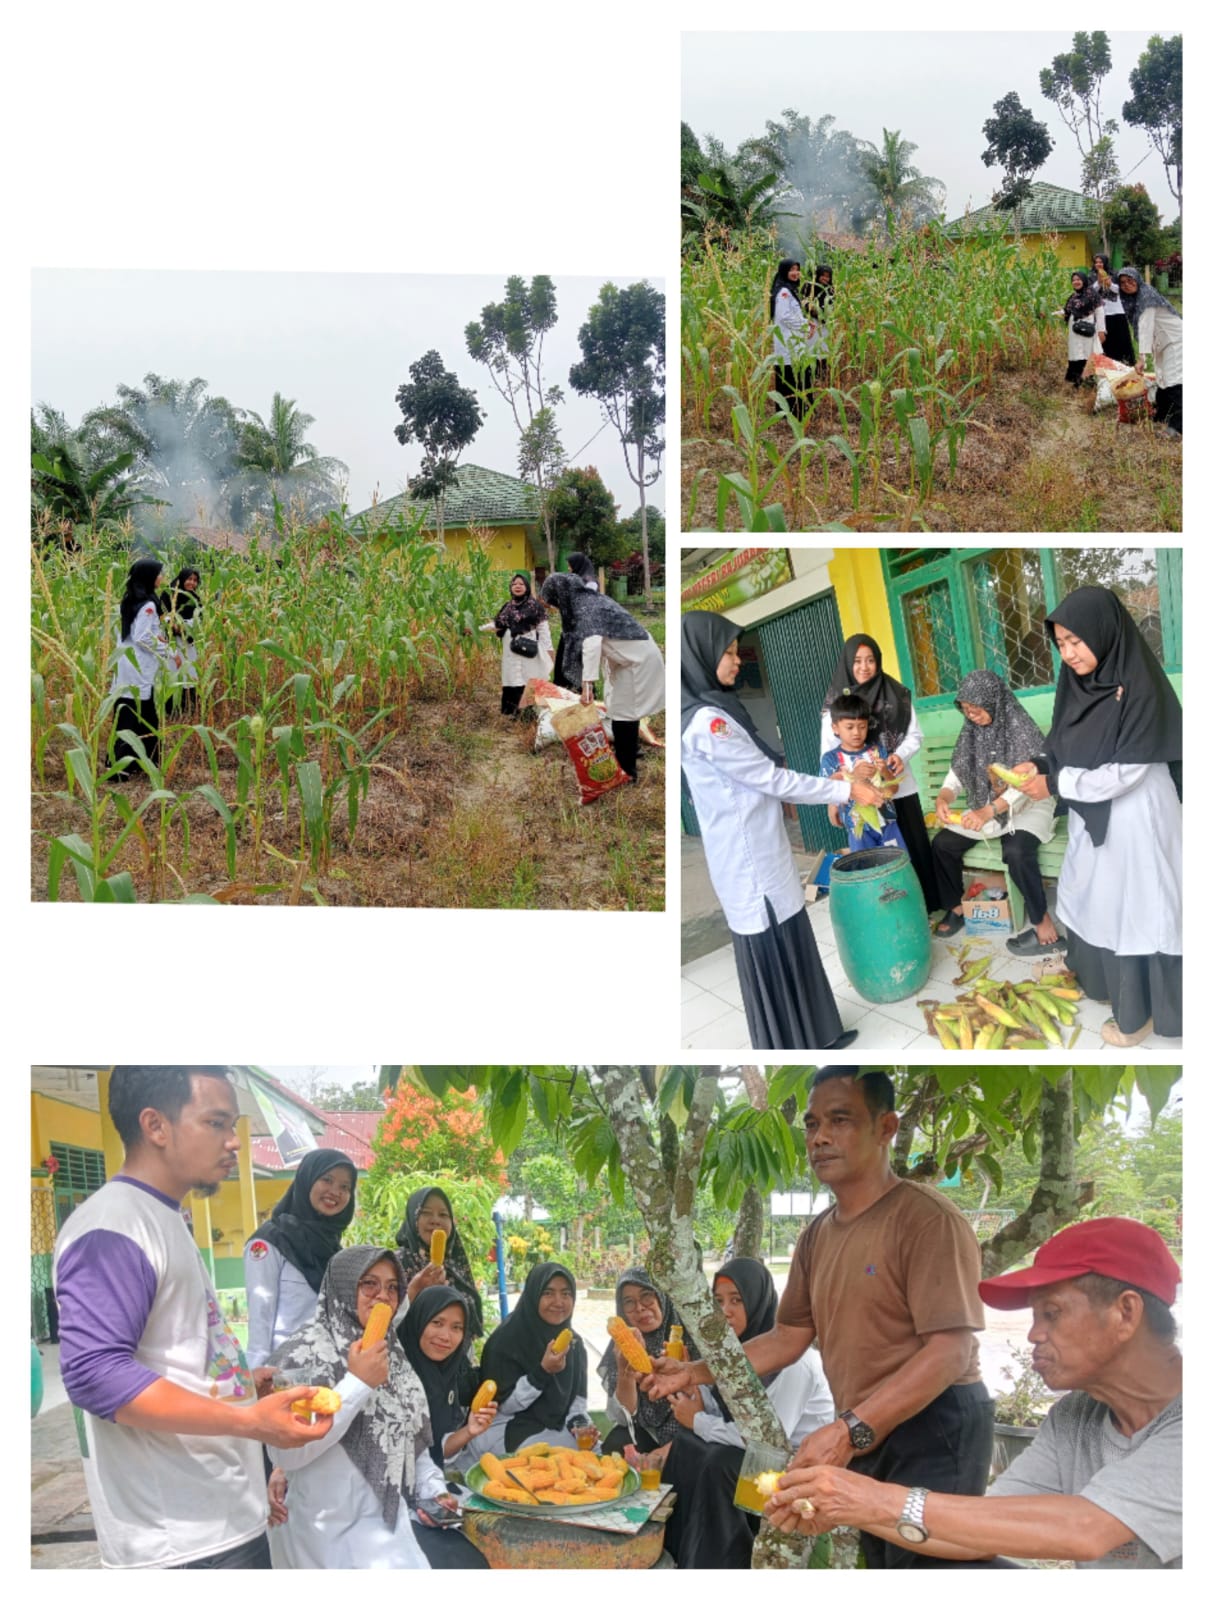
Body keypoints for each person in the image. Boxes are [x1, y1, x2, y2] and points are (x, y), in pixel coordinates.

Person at [646, 1067, 993, 1570]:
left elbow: (949, 1352)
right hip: (868, 1423)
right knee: (883, 1559)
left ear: (886, 1127)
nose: (821, 1137)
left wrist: (848, 1429)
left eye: (840, 1119)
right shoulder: (816, 1236)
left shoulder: (926, 1219)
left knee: (932, 1567)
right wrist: (694, 1372)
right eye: (811, 1124)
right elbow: (786, 1338)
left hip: (935, 1422)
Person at [767, 1217, 1181, 1570]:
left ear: (1125, 1312)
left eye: (1051, 1314)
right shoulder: (1076, 1415)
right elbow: (978, 1533)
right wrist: (846, 1509)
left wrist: (872, 1499)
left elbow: (1086, 1529)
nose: (1034, 1334)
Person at [51, 1067, 334, 1569]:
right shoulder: (114, 1226)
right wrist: (247, 1421)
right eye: (217, 1123)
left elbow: (170, 1356)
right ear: (156, 1126)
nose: (234, 1143)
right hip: (181, 1542)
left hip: (219, 1516)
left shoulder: (164, 1216)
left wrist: (242, 1384)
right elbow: (94, 1375)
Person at [682, 611, 887, 1050]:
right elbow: (770, 779)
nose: (738, 661)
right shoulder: (707, 723)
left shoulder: (715, 710)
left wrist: (836, 785)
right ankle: (793, 1043)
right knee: (776, 946)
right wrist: (847, 790)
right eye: (729, 653)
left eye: (738, 651)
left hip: (758, 844)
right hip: (747, 856)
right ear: (701, 656)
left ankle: (820, 1032)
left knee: (793, 939)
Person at [1013, 586, 1182, 1045]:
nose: (1068, 654)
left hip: (1136, 816)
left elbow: (1127, 771)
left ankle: (1141, 1016)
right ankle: (1109, 989)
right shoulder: (1079, 686)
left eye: (1076, 641)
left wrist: (1055, 784)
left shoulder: (1140, 684)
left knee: (1138, 910)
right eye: (1061, 643)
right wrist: (1043, 765)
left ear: (1104, 633)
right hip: (1093, 815)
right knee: (1098, 902)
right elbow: (1063, 743)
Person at [266, 1247, 474, 1569]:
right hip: (326, 1541)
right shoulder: (300, 1355)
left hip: (390, 1533)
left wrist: (434, 1493)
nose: (383, 1296)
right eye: (369, 1284)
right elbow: (286, 1454)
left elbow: (412, 1447)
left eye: (392, 1287)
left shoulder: (393, 1355)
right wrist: (357, 1383)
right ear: (344, 1286)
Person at [659, 1259, 834, 1569]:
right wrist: (695, 1395)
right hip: (761, 1459)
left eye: (736, 1300)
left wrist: (698, 1420)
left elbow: (766, 1441)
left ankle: (723, 1562)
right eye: (719, 1301)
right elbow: (733, 1414)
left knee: (719, 1462)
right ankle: (677, 1552)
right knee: (687, 1445)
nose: (725, 1311)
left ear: (759, 1302)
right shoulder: (735, 1353)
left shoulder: (796, 1364)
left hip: (795, 1471)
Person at [930, 669, 1061, 956]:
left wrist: (989, 811)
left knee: (1015, 851)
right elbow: (958, 772)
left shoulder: (1020, 727)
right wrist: (944, 796)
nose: (972, 716)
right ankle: (956, 907)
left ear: (994, 703)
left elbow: (1026, 784)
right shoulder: (972, 731)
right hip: (988, 806)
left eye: (976, 710)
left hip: (1033, 803)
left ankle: (1041, 920)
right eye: (965, 710)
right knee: (942, 845)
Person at [821, 633, 941, 913]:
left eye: (870, 660)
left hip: (897, 784)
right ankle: (884, 912)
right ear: (847, 664)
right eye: (857, 661)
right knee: (872, 856)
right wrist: (833, 800)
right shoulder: (836, 706)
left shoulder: (896, 694)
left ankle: (924, 908)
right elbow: (827, 755)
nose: (864, 667)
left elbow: (915, 736)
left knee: (911, 849)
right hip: (858, 797)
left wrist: (899, 755)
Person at [540, 572, 663, 781]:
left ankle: (628, 771)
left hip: (637, 662)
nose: (557, 607)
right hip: (626, 661)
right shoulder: (588, 600)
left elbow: (592, 643)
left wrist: (587, 684)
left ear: (561, 593)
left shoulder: (586, 606)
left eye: (555, 601)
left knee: (625, 715)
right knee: (618, 711)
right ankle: (625, 759)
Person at [244, 1148, 358, 1369]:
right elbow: (260, 1313)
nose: (335, 1191)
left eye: (345, 1187)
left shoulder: (334, 1247)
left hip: (330, 1366)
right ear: (307, 1179)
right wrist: (258, 1373)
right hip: (285, 1367)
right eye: (327, 1180)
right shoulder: (271, 1241)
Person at [477, 1262, 597, 1455]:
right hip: (507, 1427)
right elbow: (506, 1406)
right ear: (533, 1295)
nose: (558, 1302)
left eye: (566, 1294)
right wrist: (543, 1372)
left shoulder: (574, 1343)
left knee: (593, 1452)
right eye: (548, 1293)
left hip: (555, 1425)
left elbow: (577, 1404)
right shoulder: (506, 1341)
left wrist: (580, 1426)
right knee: (553, 1459)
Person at [398, 1285, 499, 1472]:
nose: (446, 1337)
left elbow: (436, 1452)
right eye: (437, 1322)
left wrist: (469, 1430)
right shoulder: (391, 1374)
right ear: (419, 1320)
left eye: (456, 1327)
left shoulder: (447, 1376)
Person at [597, 1267, 684, 1454]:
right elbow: (623, 1418)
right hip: (647, 1434)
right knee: (618, 1440)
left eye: (647, 1296)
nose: (639, 1308)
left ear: (662, 1298)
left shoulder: (689, 1342)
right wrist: (625, 1374)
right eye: (629, 1302)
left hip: (691, 1433)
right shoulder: (619, 1347)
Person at [108, 557, 179, 780]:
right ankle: (121, 768)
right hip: (137, 667)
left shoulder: (132, 599)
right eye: (159, 574)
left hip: (128, 665)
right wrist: (168, 651)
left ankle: (139, 762)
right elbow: (142, 637)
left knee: (140, 715)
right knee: (133, 716)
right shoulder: (148, 604)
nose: (162, 577)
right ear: (149, 577)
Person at [394, 1184, 485, 1339]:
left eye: (443, 1215)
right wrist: (414, 1292)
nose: (435, 1220)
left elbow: (471, 1325)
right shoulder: (396, 1264)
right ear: (413, 1218)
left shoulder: (457, 1264)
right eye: (426, 1213)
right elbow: (386, 1322)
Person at [820, 692, 907, 850]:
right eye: (849, 727)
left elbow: (894, 789)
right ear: (835, 728)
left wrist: (885, 772)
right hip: (857, 829)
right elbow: (826, 788)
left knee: (895, 867)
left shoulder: (877, 751)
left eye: (862, 727)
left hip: (888, 825)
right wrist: (854, 776)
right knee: (866, 871)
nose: (856, 733)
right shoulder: (831, 759)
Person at [1117, 267, 1182, 436]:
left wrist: (1141, 358)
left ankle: (1177, 427)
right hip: (1163, 342)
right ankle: (1162, 416)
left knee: (1174, 379)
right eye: (1122, 282)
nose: (1127, 285)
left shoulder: (1146, 297)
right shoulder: (1136, 299)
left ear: (1137, 279)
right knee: (1162, 378)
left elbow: (1145, 328)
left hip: (1176, 341)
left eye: (1130, 280)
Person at [484, 572, 552, 716]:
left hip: (528, 650)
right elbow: (497, 624)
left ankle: (527, 715)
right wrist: (476, 630)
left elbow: (544, 630)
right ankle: (512, 713)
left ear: (527, 587)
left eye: (521, 584)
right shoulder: (508, 607)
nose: (518, 586)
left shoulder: (534, 606)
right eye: (514, 584)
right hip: (510, 651)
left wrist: (549, 651)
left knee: (527, 679)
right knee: (512, 678)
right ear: (511, 587)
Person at [769, 258, 808, 420]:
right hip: (787, 340)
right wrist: (805, 324)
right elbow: (784, 316)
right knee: (788, 376)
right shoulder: (784, 292)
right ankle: (787, 412)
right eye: (791, 270)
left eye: (797, 269)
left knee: (791, 374)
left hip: (793, 339)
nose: (795, 273)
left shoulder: (789, 289)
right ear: (784, 271)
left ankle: (790, 411)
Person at [162, 566, 202, 717]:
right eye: (189, 579)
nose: (192, 583)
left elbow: (199, 619)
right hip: (172, 643)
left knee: (189, 674)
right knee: (173, 673)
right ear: (181, 579)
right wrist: (172, 624)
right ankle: (171, 710)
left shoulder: (195, 599)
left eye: (195, 580)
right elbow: (161, 616)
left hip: (188, 644)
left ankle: (189, 709)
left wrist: (185, 628)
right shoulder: (168, 595)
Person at [1091, 254, 1134, 364]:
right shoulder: (1091, 275)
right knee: (1106, 339)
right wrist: (1099, 283)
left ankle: (1125, 361)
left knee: (1121, 337)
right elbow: (1090, 293)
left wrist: (1110, 284)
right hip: (1102, 312)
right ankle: (1108, 363)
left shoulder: (1115, 274)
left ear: (1105, 263)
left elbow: (1122, 290)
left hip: (1117, 311)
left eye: (1101, 262)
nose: (1098, 264)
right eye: (1096, 262)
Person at [1061, 270, 1099, 386]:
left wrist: (1102, 330)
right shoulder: (1073, 297)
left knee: (1087, 354)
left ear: (1084, 280)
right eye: (1073, 280)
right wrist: (1048, 314)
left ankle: (1089, 382)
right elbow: (1066, 311)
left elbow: (1100, 311)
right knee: (1076, 354)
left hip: (1087, 330)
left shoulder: (1092, 295)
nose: (1076, 282)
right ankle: (1077, 382)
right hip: (1074, 330)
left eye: (1078, 279)